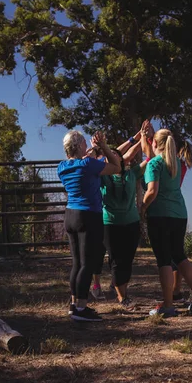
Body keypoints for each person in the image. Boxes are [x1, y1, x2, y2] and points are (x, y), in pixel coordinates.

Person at [58, 130, 120, 321]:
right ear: (77, 146)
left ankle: (74, 304)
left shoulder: (62, 167)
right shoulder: (88, 164)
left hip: (70, 216)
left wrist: (92, 153)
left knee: (77, 263)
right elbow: (116, 167)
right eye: (84, 143)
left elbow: (80, 164)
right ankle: (82, 308)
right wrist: (103, 148)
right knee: (87, 263)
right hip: (88, 216)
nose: (87, 146)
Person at [141, 129, 192, 317]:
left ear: (154, 144)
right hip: (179, 214)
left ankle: (168, 306)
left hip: (160, 215)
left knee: (164, 259)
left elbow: (152, 191)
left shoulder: (154, 164)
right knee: (179, 255)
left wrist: (142, 208)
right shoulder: (176, 162)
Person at [89, 122, 153, 300]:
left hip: (131, 224)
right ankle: (122, 297)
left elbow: (148, 159)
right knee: (116, 261)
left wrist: (145, 137)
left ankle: (122, 290)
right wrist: (99, 147)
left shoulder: (131, 173)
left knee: (127, 260)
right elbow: (93, 159)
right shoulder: (102, 176)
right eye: (111, 157)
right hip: (110, 224)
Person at [171, 139, 192, 303]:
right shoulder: (181, 164)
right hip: (178, 211)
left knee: (175, 255)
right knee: (176, 254)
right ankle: (176, 291)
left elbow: (150, 156)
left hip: (170, 211)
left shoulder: (173, 164)